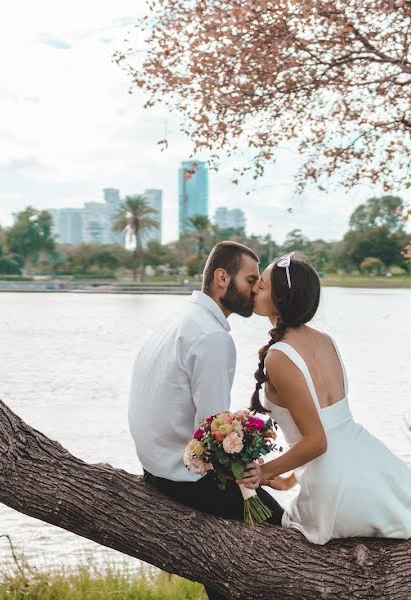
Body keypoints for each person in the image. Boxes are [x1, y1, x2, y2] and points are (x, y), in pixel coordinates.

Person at [237, 251, 411, 544]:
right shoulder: (325, 341)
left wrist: (262, 471)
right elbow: (331, 429)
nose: (255, 287)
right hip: (369, 467)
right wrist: (285, 479)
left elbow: (317, 441)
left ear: (280, 299)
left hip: (336, 489)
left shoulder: (280, 357)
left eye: (263, 285)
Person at [128, 241, 284, 600]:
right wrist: (254, 478)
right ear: (221, 278)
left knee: (228, 557)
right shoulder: (213, 337)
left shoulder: (181, 318)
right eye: (250, 280)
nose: (255, 289)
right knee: (280, 529)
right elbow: (213, 433)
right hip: (182, 477)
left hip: (155, 466)